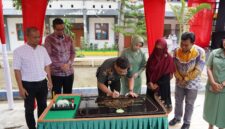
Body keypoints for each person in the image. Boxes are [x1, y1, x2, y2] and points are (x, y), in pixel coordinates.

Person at [13, 27, 52, 129]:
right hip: (28, 84)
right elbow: (17, 70)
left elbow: (47, 66)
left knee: (43, 106)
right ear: (27, 37)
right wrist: (21, 88)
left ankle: (41, 126)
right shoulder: (18, 51)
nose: (37, 39)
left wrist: (50, 81)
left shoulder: (42, 49)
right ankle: (32, 127)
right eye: (34, 37)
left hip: (42, 83)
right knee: (29, 109)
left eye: (38, 37)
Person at [169, 32, 205, 129]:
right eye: (182, 44)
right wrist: (180, 78)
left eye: (186, 45)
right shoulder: (176, 51)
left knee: (189, 103)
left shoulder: (200, 52)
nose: (183, 47)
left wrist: (186, 79)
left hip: (193, 82)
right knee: (178, 100)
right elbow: (174, 66)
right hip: (179, 80)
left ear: (193, 43)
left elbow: (199, 68)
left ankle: (187, 122)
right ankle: (177, 117)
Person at [44, 18, 75, 96]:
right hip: (56, 74)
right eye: (58, 29)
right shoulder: (49, 39)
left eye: (62, 29)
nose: (61, 31)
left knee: (68, 97)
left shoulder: (69, 38)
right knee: (56, 98)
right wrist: (60, 65)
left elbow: (73, 53)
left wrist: (68, 64)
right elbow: (47, 56)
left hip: (69, 73)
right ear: (54, 28)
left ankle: (67, 108)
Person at [146, 38, 175, 109]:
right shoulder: (151, 57)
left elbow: (168, 75)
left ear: (164, 47)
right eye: (157, 46)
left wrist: (157, 84)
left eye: (161, 47)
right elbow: (147, 71)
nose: (158, 48)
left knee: (162, 108)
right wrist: (149, 82)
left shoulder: (168, 59)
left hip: (162, 87)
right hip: (151, 86)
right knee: (150, 107)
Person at [203, 38, 225, 129]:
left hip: (223, 88)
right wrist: (212, 82)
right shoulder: (214, 53)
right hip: (212, 87)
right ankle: (210, 127)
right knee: (210, 109)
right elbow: (208, 67)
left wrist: (223, 84)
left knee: (222, 112)